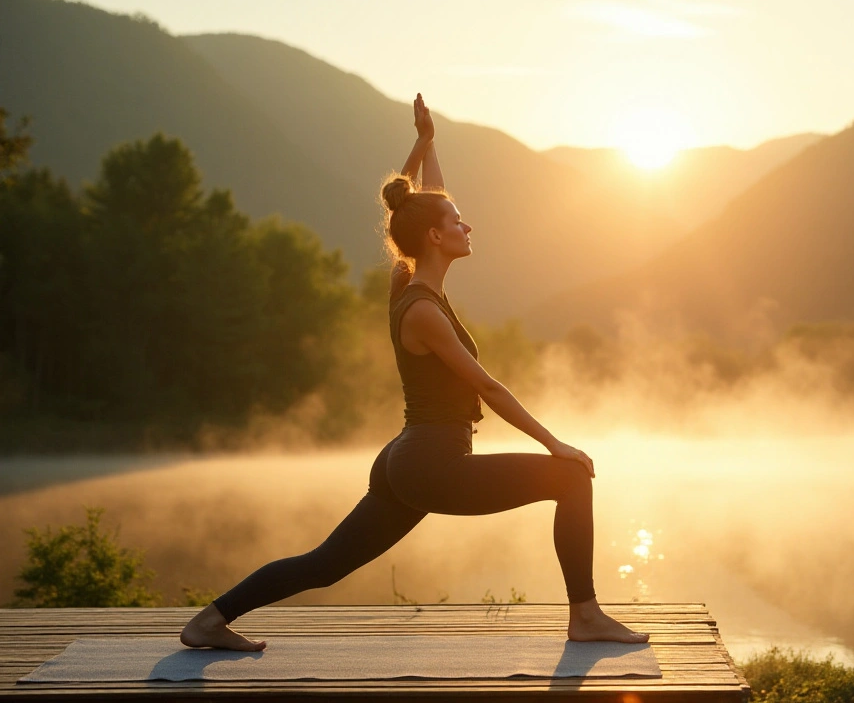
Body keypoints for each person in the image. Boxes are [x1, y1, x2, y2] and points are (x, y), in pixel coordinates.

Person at [179, 93, 648, 651]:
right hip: (432, 463)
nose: (466, 224)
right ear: (433, 237)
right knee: (570, 478)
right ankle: (587, 616)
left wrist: (426, 145)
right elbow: (488, 386)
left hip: (409, 457)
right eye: (456, 221)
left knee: (326, 565)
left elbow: (410, 211)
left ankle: (209, 620)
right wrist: (555, 444)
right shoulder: (423, 310)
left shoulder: (408, 285)